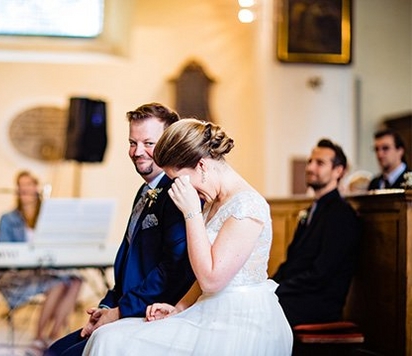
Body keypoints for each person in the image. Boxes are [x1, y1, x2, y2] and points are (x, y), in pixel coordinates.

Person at [83, 118, 293, 355]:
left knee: (114, 343)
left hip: (239, 320)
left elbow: (212, 280)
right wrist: (178, 308)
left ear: (202, 166)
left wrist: (191, 212)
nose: (180, 190)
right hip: (205, 310)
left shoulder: (247, 206)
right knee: (107, 336)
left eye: (179, 181)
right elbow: (200, 278)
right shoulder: (213, 201)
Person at [46, 103, 196, 356]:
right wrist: (106, 306)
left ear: (170, 143)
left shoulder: (177, 193)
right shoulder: (145, 190)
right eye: (132, 142)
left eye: (149, 143)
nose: (138, 152)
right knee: (56, 349)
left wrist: (121, 311)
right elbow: (129, 263)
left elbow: (173, 271)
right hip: (126, 305)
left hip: (153, 313)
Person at [272, 139, 361, 326]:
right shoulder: (312, 209)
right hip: (297, 295)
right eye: (310, 161)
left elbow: (321, 273)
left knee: (257, 312)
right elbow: (292, 262)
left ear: (339, 171)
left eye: (320, 163)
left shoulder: (342, 214)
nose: (310, 167)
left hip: (317, 304)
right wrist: (268, 285)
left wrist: (277, 290)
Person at [0, 171, 82, 356]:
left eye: (29, 184)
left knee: (76, 280)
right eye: (21, 185)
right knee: (57, 284)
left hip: (44, 270)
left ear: (36, 187)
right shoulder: (8, 219)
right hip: (19, 274)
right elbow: (6, 253)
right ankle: (38, 338)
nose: (25, 189)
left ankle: (53, 337)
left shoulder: (49, 216)